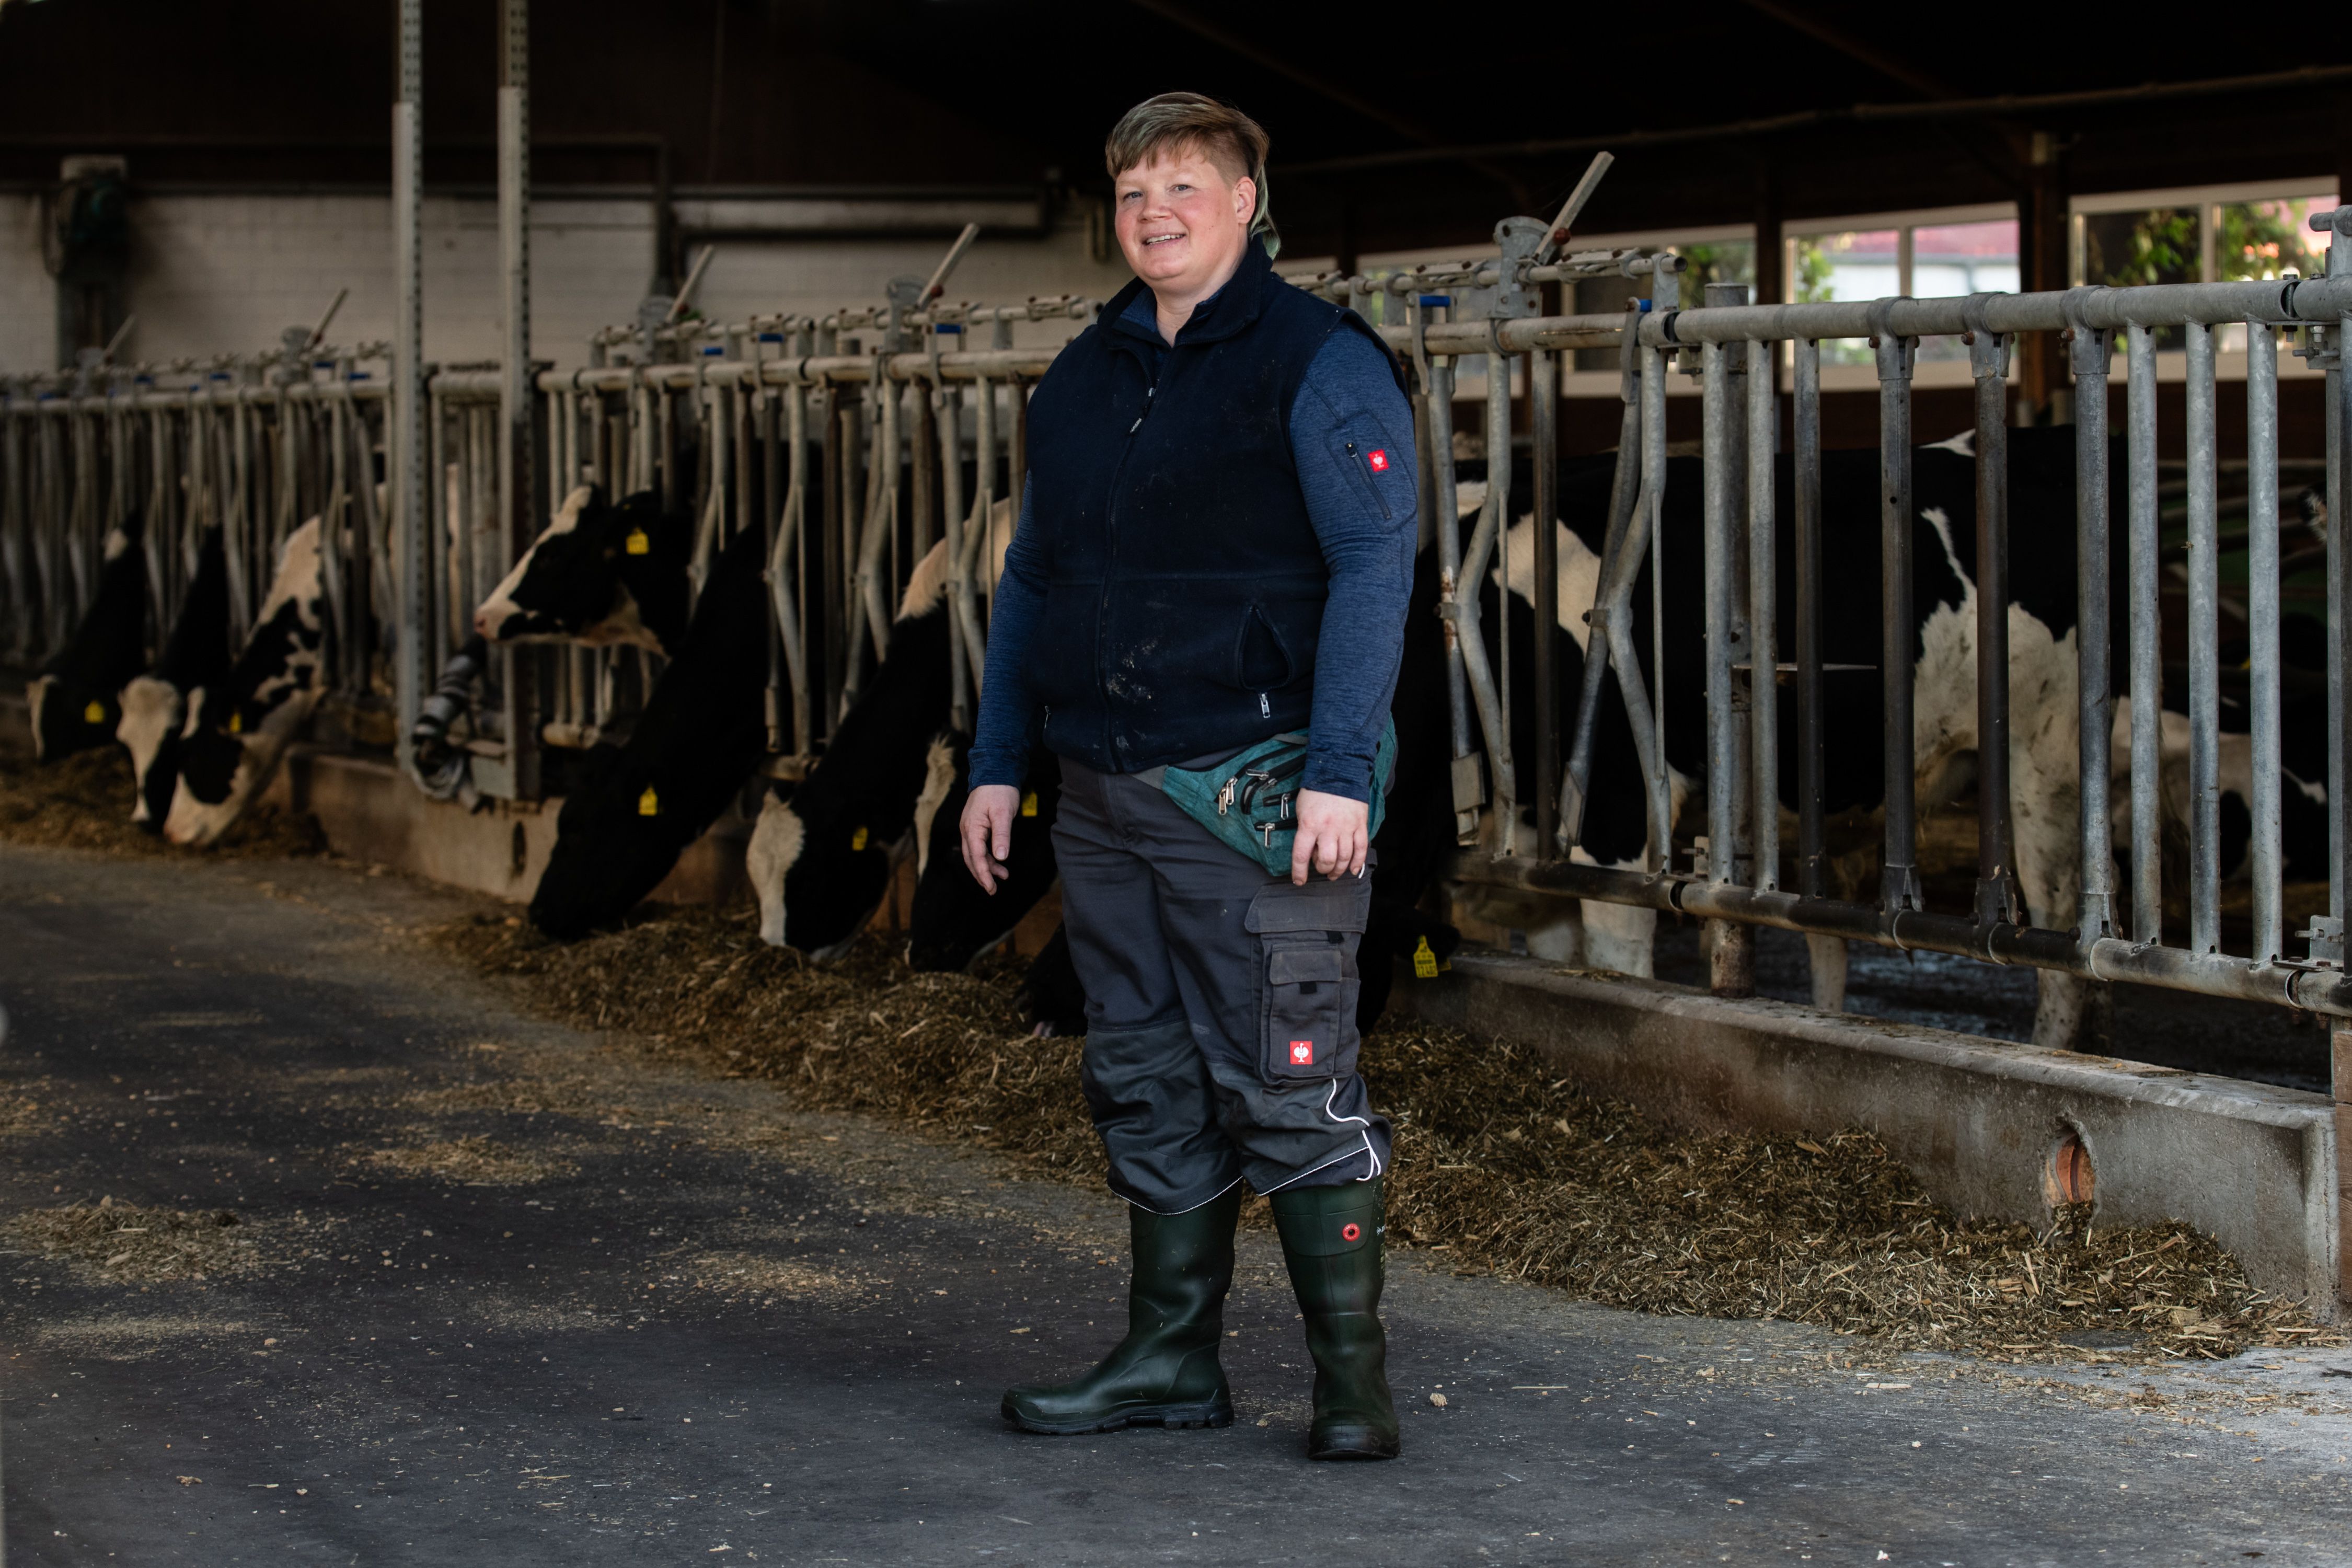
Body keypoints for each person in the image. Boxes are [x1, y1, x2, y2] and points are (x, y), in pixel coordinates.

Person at [959, 91, 1417, 1461]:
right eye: (1131, 192)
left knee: (1286, 1075)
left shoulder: (1317, 359)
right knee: (1146, 1069)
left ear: (1244, 203)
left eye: (1182, 186)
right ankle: (1170, 1358)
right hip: (1097, 788)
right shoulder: (1088, 370)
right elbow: (1033, 571)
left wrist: (1340, 770)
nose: (1153, 213)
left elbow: (1373, 563)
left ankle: (1352, 1384)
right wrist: (997, 763)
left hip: (1255, 786)